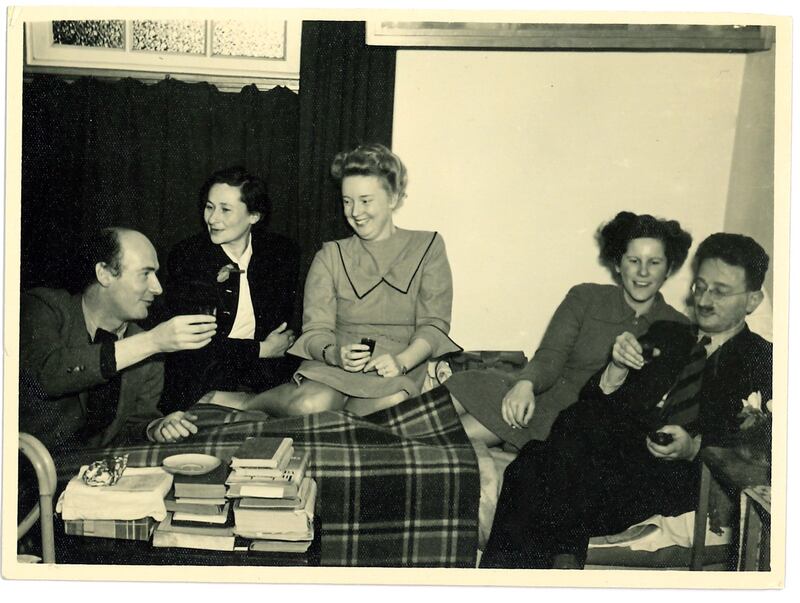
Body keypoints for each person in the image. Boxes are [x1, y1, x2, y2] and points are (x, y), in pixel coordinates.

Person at [480, 233, 772, 569]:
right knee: (563, 439)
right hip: (613, 451)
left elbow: (759, 446)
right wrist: (616, 369)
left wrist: (693, 447)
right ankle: (561, 566)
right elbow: (592, 400)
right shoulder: (669, 333)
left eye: (719, 291)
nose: (704, 300)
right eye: (700, 286)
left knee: (533, 465)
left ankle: (530, 574)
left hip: (673, 473)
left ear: (752, 300)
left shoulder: (764, 361)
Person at [245, 143, 461, 417]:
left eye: (365, 200)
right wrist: (335, 354)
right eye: (347, 201)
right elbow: (314, 331)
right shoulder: (330, 255)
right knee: (310, 405)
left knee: (386, 408)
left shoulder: (428, 246)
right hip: (334, 367)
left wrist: (402, 362)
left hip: (397, 366)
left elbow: (434, 325)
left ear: (393, 197)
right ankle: (243, 404)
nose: (355, 211)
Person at [447, 211, 693, 449]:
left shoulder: (677, 327)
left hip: (566, 423)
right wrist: (525, 384)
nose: (642, 272)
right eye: (633, 260)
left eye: (654, 262)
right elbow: (550, 355)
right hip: (530, 393)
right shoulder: (585, 297)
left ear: (669, 268)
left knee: (442, 440)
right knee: (432, 411)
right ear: (618, 264)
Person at [19, 227, 217, 452]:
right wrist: (152, 342)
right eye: (145, 274)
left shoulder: (148, 347)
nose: (157, 288)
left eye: (156, 275)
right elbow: (46, 373)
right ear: (104, 274)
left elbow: (129, 428)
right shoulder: (43, 307)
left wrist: (153, 428)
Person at [163, 167, 300, 411]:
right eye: (209, 206)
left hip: (263, 376)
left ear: (254, 216)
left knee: (310, 402)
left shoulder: (280, 253)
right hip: (204, 375)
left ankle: (248, 404)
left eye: (225, 209)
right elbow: (195, 344)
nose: (213, 219)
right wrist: (263, 349)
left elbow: (285, 329)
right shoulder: (187, 257)